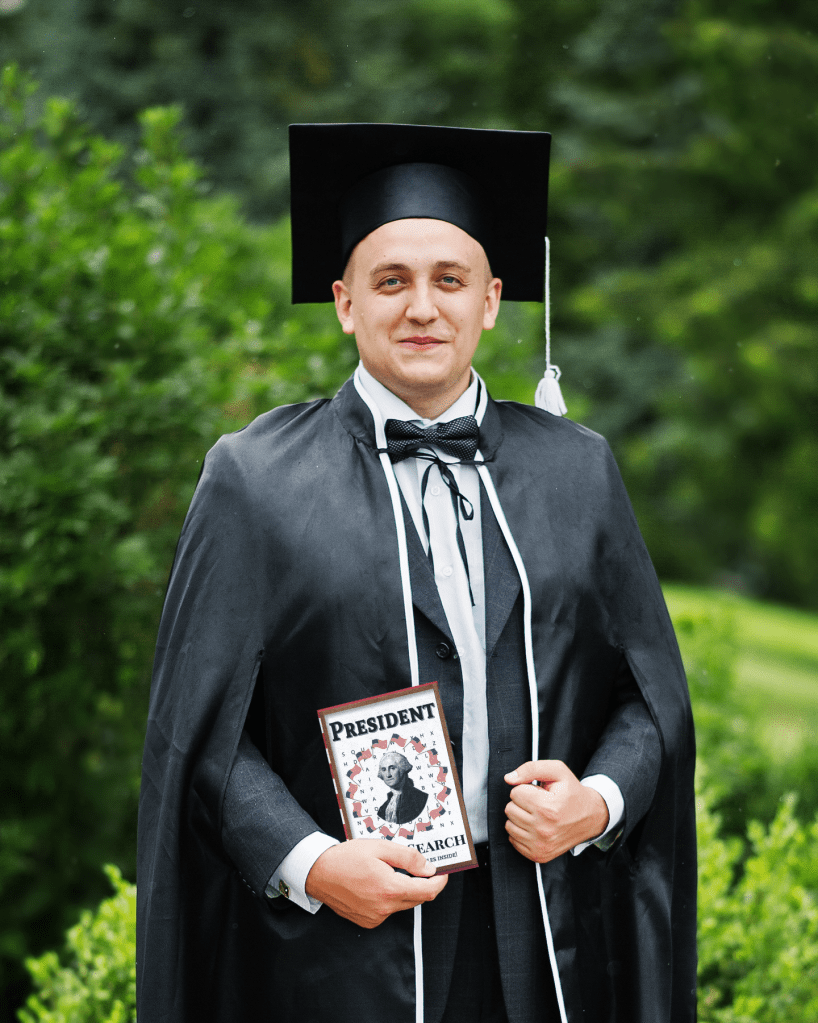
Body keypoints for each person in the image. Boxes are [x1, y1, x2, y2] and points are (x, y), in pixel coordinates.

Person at [136, 123, 696, 1023]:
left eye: (450, 280)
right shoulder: (255, 479)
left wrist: (594, 803)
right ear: (344, 302)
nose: (422, 307)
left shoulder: (576, 470)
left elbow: (650, 695)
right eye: (391, 281)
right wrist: (311, 860)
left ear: (493, 300)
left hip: (546, 942)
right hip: (340, 956)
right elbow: (199, 730)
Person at [377, 752, 430, 825]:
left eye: (392, 768)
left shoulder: (421, 799)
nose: (388, 774)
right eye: (384, 769)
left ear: (403, 769)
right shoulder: (383, 808)